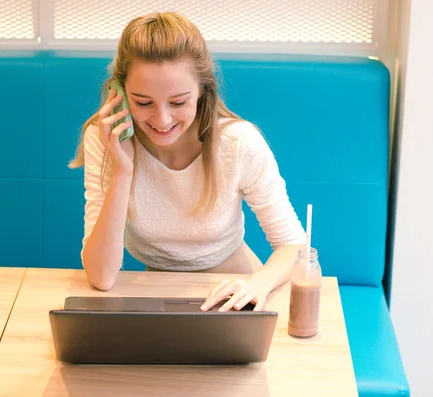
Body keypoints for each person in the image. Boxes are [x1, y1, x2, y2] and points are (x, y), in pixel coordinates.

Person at [69, 11, 306, 312]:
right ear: (120, 94)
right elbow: (101, 277)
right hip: (157, 295)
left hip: (237, 291)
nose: (162, 119)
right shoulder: (105, 138)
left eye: (179, 102)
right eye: (143, 102)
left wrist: (258, 283)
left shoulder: (238, 143)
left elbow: (295, 247)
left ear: (202, 91)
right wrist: (122, 171)